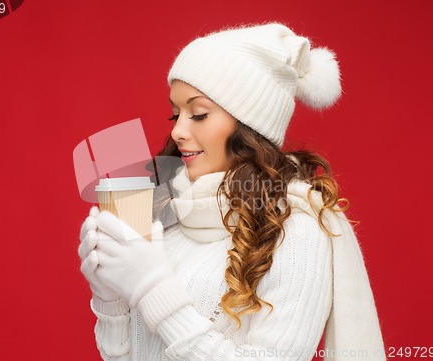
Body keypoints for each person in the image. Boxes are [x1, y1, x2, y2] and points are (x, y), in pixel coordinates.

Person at [78, 22, 387, 361]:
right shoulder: (171, 214)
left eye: (198, 114)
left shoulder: (294, 231)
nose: (179, 131)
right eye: (175, 114)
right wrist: (111, 299)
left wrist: (154, 291)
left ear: (248, 125)